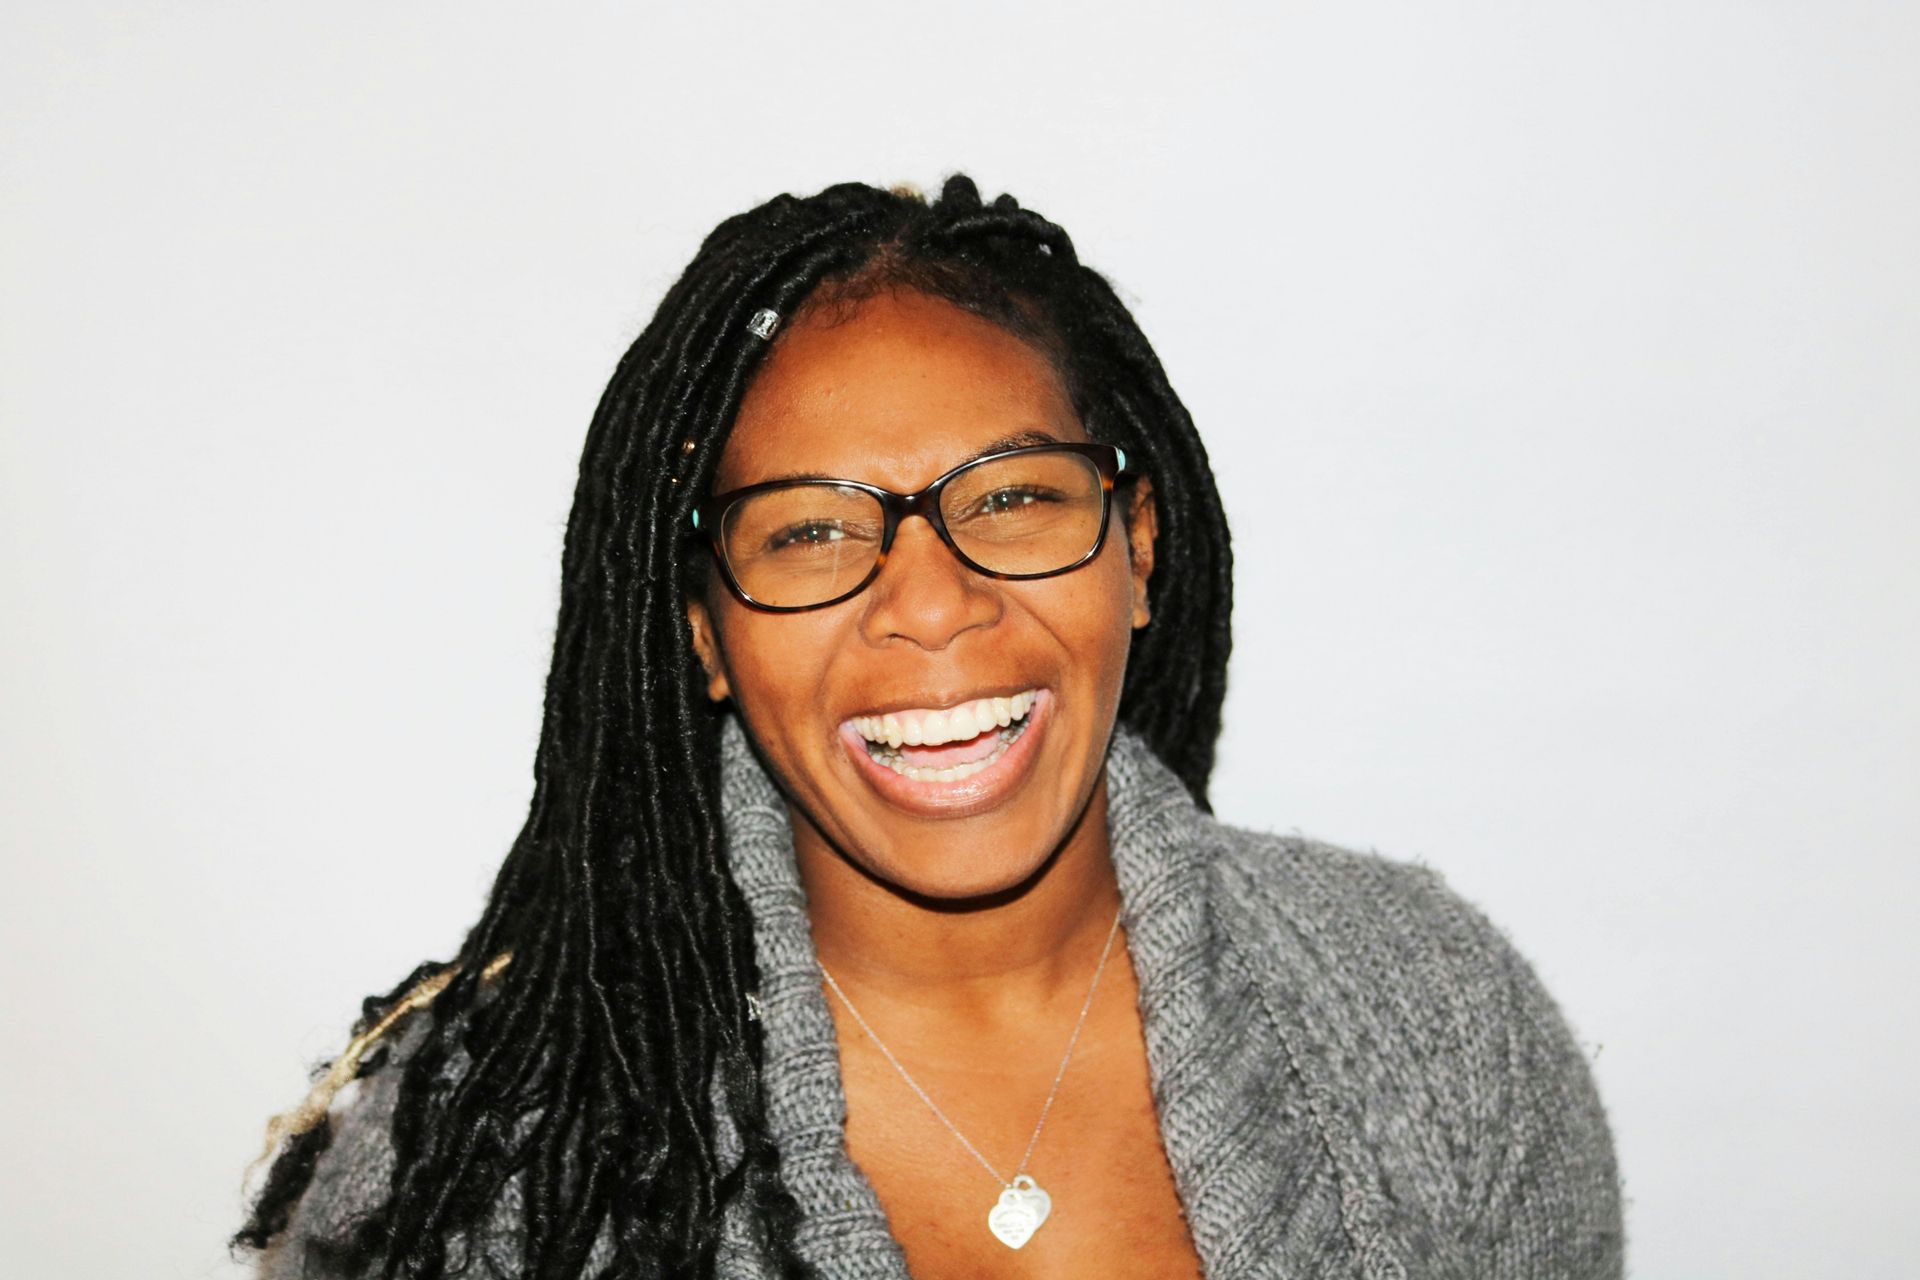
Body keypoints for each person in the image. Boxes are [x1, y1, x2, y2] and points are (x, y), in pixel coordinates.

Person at [236, 176, 1623, 1279]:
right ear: (703, 631)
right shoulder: (504, 1167)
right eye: (812, 530)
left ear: (1137, 546)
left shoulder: (1433, 1021)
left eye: (1014, 498)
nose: (934, 605)